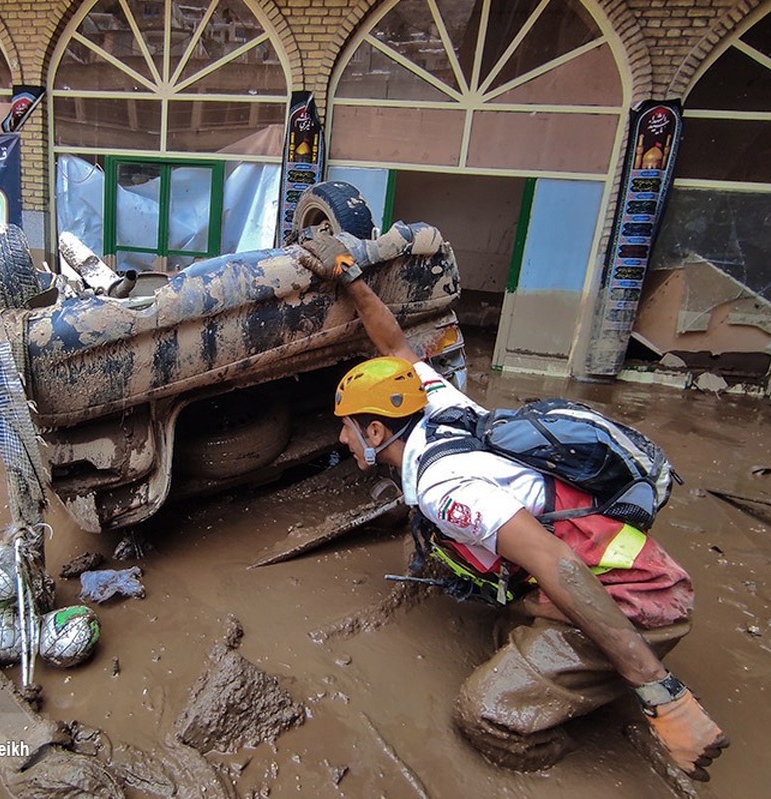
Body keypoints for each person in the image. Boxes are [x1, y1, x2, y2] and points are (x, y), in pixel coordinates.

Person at [298, 230, 728, 780]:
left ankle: (607, 727)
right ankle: (572, 665)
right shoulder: (433, 399)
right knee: (456, 573)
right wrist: (351, 278)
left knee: (484, 715)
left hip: (636, 597)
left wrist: (663, 695)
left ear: (377, 430)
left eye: (347, 428)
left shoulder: (443, 488)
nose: (342, 439)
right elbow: (396, 347)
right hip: (611, 555)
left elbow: (558, 563)